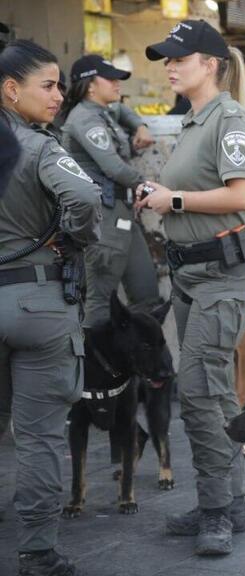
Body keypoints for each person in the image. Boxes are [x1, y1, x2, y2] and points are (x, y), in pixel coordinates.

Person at [140, 19, 245, 556]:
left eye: (179, 58)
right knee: (211, 393)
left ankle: (215, 510)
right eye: (165, 59)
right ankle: (229, 503)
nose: (170, 66)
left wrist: (176, 201)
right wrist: (161, 195)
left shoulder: (228, 119)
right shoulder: (193, 122)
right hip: (192, 275)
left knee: (194, 393)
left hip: (222, 277)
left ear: (210, 63)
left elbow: (242, 195)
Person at [0, 39, 102, 576]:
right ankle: (37, 552)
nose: (59, 95)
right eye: (48, 84)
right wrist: (72, 237)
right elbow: (84, 199)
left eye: (61, 84)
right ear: (10, 89)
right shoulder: (39, 148)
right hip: (38, 301)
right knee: (38, 436)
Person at [61, 54, 161, 328]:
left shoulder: (103, 111)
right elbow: (113, 167)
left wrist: (140, 125)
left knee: (147, 295)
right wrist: (147, 186)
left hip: (123, 215)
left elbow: (123, 111)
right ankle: (97, 369)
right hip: (104, 218)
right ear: (90, 85)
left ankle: (139, 364)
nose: (118, 84)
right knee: (99, 302)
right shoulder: (84, 118)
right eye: (111, 78)